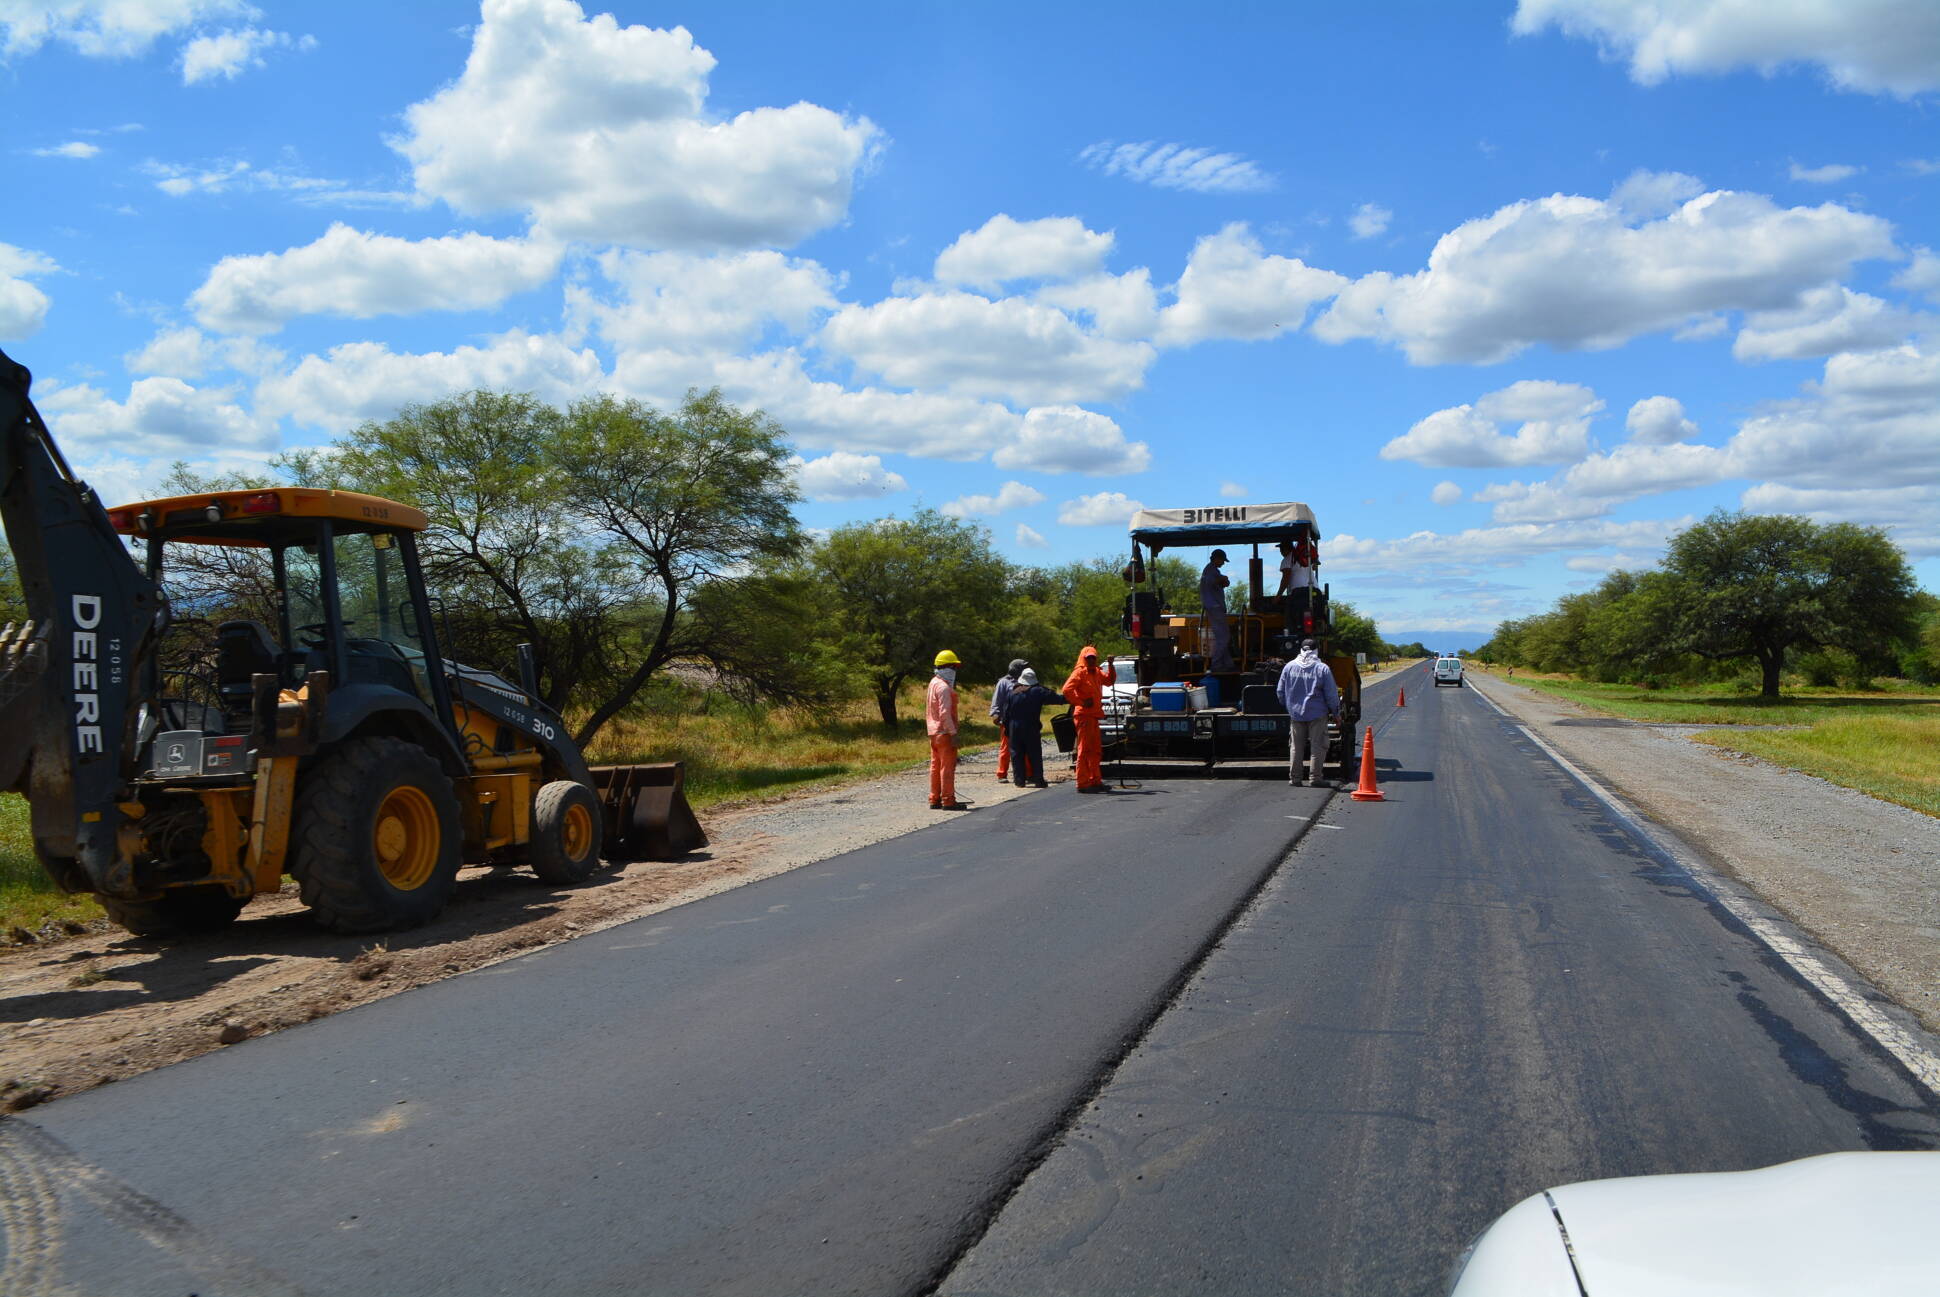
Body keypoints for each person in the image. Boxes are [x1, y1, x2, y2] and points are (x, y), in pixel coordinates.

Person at [1276, 636, 1341, 788]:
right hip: (1317, 714)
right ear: (1316, 650)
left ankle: (1295, 779)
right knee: (1317, 746)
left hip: (1296, 715)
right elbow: (1331, 695)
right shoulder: (1322, 668)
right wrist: (1336, 714)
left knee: (1296, 747)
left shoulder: (1289, 667)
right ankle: (1315, 778)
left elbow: (1280, 691)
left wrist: (1290, 707)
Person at [1061, 644, 1117, 793]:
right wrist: (1081, 702)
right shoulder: (1079, 673)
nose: (1091, 660)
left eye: (1093, 657)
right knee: (1084, 750)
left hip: (1094, 717)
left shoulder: (1097, 672)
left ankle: (1095, 781)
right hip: (1084, 717)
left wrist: (1111, 665)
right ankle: (1083, 783)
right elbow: (1066, 689)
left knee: (1095, 750)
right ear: (1083, 658)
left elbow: (1110, 681)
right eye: (1088, 658)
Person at [1001, 667, 1062, 787]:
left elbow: (1006, 714)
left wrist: (1008, 730)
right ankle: (1039, 780)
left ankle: (1019, 781)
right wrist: (1074, 699)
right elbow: (1057, 698)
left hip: (1014, 728)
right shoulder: (1038, 691)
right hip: (1031, 727)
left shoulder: (1012, 692)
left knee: (1016, 754)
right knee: (1034, 754)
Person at [927, 649, 969, 810]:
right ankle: (948, 800)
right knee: (947, 767)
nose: (954, 671)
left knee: (935, 767)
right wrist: (953, 733)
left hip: (934, 732)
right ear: (946, 668)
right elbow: (945, 714)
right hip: (944, 733)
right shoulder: (943, 687)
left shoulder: (933, 683)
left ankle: (934, 799)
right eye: (953, 667)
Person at [989, 658, 1028, 782]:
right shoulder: (1003, 682)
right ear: (1015, 669)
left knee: (1025, 747)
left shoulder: (1026, 681)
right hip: (1008, 721)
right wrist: (995, 714)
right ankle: (1002, 774)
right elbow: (997, 700)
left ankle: (1027, 773)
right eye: (1022, 667)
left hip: (1024, 720)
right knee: (1006, 748)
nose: (1024, 670)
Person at [1200, 548, 1234, 672]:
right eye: (1222, 560)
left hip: (1214, 607)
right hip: (1215, 607)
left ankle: (1227, 663)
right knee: (1224, 637)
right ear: (1217, 559)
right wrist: (1223, 578)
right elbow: (1213, 581)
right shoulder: (1210, 571)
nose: (1223, 563)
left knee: (1223, 636)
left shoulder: (1213, 571)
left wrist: (1224, 580)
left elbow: (1224, 582)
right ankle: (1217, 664)